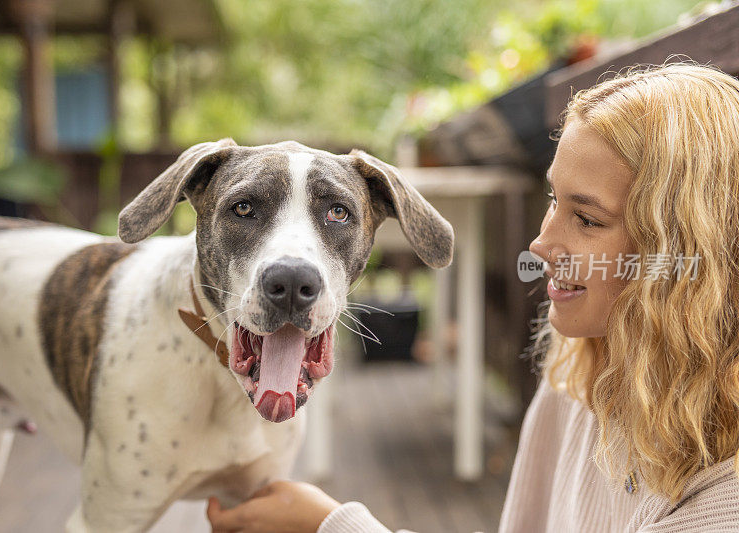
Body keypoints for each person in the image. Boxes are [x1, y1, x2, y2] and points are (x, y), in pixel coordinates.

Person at [206, 62, 739, 533]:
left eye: (588, 218)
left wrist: (331, 525)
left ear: (684, 256)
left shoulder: (725, 499)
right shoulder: (576, 371)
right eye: (553, 198)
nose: (541, 243)